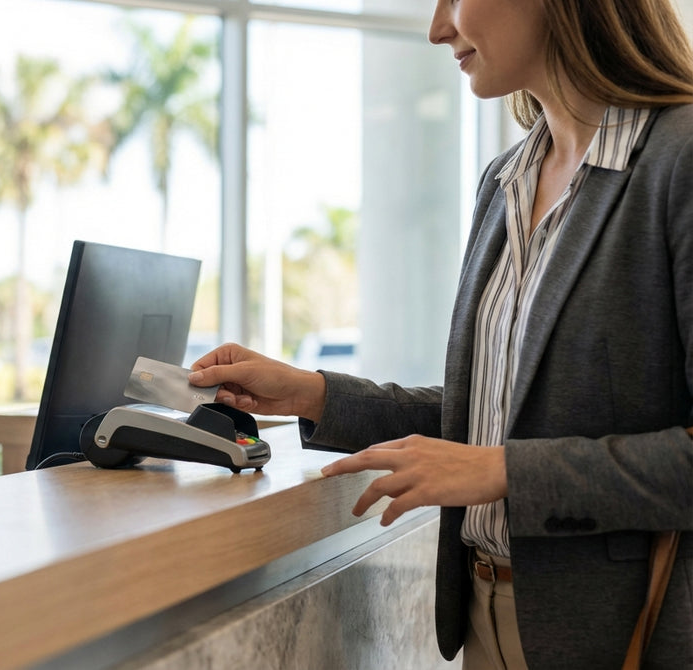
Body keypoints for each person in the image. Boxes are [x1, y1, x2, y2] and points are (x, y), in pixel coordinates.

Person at [190, 0, 693, 667]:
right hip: (487, 616)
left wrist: (505, 472)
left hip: (624, 635)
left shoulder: (679, 162)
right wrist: (313, 394)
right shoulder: (505, 181)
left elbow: (493, 459)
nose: (436, 27)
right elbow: (487, 421)